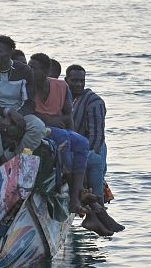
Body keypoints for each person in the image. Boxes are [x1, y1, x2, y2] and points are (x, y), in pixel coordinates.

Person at [0, 35, 45, 175]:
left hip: (20, 112)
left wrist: (14, 115)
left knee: (38, 127)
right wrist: (7, 112)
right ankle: (0, 160)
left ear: (10, 52)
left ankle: (17, 160)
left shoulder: (24, 71)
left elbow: (29, 102)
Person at [66, 64, 109, 203]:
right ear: (67, 80)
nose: (78, 84)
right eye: (74, 80)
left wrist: (84, 160)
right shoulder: (69, 99)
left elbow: (96, 137)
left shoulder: (94, 101)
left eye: (81, 81)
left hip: (93, 153)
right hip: (79, 152)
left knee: (95, 197)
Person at [27, 53, 72, 129]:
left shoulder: (62, 86)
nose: (28, 71)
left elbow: (69, 116)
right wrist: (48, 121)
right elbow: (25, 113)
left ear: (46, 71)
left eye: (33, 68)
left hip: (59, 128)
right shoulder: (25, 87)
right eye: (28, 67)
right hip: (36, 129)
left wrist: (73, 133)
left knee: (82, 141)